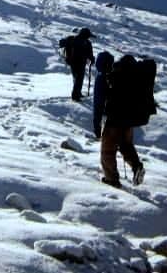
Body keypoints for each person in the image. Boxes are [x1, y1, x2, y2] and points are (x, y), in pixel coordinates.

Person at [92, 52, 145, 188]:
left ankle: (111, 179)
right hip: (129, 120)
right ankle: (136, 166)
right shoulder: (126, 76)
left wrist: (97, 125)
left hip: (113, 120)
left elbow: (98, 103)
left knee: (107, 151)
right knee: (125, 145)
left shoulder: (104, 77)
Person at [61, 28, 94, 101]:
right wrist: (92, 59)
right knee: (79, 79)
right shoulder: (84, 42)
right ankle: (75, 96)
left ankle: (78, 93)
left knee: (78, 79)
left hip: (76, 62)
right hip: (78, 62)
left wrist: (91, 58)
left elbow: (89, 53)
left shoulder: (76, 40)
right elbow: (89, 53)